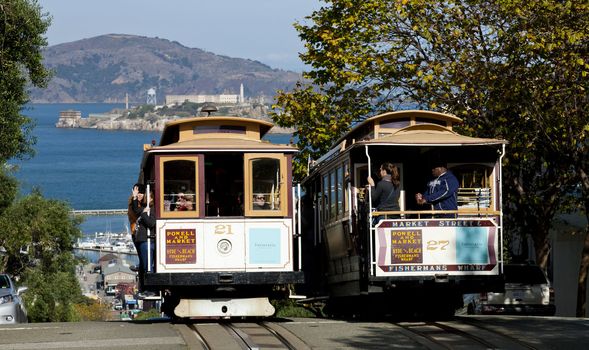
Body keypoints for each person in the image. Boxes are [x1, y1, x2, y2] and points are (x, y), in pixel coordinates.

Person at [132, 187, 156, 297]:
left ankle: (151, 289)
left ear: (151, 198)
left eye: (146, 196)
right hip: (142, 240)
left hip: (147, 241)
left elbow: (151, 223)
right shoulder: (145, 208)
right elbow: (136, 210)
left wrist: (144, 214)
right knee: (144, 265)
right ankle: (145, 289)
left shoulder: (153, 209)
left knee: (148, 266)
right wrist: (134, 197)